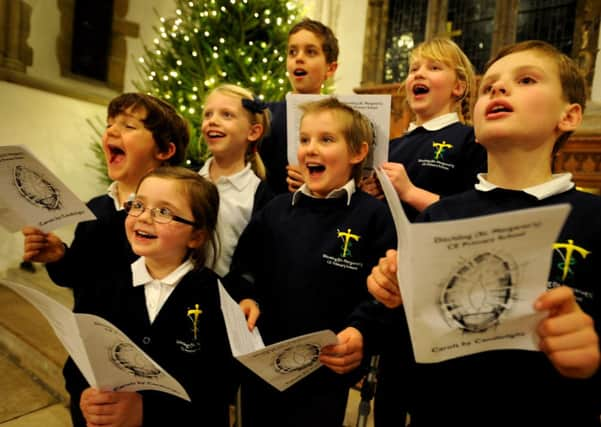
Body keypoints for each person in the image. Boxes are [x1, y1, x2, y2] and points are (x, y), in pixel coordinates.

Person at [367, 40, 601, 426]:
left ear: (570, 115)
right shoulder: (439, 217)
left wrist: (592, 356)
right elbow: (413, 350)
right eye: (489, 85)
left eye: (526, 80)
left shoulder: (594, 220)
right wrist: (394, 299)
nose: (498, 88)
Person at [224, 97, 396, 427]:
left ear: (358, 153)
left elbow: (383, 294)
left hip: (327, 371)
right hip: (264, 364)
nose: (310, 149)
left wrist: (360, 331)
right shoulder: (275, 209)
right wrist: (246, 297)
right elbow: (244, 265)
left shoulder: (374, 217)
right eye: (304, 140)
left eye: (326, 139)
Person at [21, 92, 190, 426]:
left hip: (143, 373)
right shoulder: (96, 206)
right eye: (110, 124)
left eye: (128, 126)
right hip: (87, 366)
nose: (111, 132)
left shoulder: (172, 219)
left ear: (164, 151)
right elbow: (78, 276)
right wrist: (59, 257)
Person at [361, 37, 487, 427]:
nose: (418, 73)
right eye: (414, 67)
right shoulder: (393, 144)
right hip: (390, 285)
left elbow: (474, 219)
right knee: (389, 400)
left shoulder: (468, 140)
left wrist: (410, 192)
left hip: (440, 294)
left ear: (459, 87)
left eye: (433, 67)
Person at [79, 166, 241, 426]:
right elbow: (78, 365)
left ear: (196, 235)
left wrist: (148, 412)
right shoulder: (103, 286)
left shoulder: (216, 297)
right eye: (138, 205)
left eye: (164, 212)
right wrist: (85, 400)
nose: (143, 217)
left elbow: (217, 390)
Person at [198, 83, 274, 277]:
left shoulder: (260, 196)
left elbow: (255, 261)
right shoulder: (188, 181)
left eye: (227, 115)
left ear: (253, 132)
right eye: (208, 114)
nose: (212, 121)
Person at [260, 17, 339, 194]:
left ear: (330, 68)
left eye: (310, 52)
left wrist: (320, 180)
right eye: (292, 52)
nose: (299, 58)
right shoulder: (267, 115)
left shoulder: (338, 118)